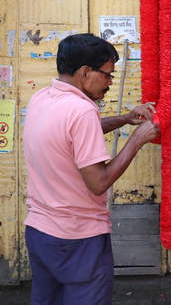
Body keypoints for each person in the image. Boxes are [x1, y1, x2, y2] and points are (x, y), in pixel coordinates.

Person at [22, 33, 160, 305]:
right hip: (77, 239)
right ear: (85, 73)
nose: (110, 82)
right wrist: (137, 139)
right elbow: (98, 182)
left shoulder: (42, 98)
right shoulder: (82, 111)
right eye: (107, 75)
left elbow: (71, 133)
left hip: (39, 233)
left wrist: (125, 119)